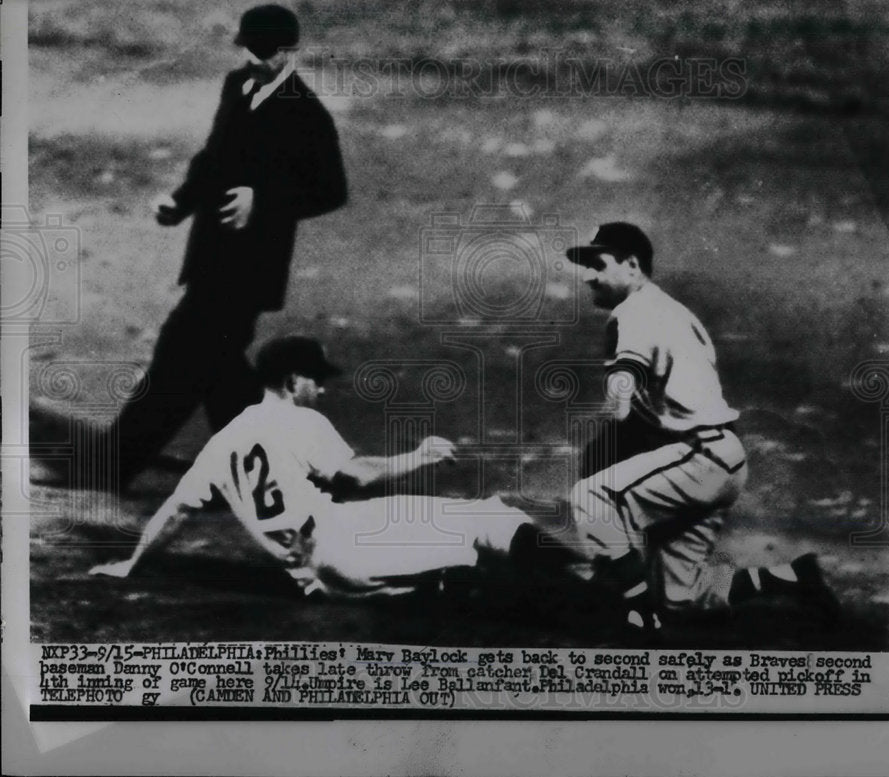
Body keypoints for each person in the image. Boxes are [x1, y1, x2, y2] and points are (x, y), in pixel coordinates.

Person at [89, 336, 573, 599]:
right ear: (292, 379)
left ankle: (432, 578)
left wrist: (131, 564)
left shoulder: (222, 443)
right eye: (315, 380)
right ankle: (594, 575)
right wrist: (420, 456)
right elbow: (357, 474)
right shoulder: (299, 419)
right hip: (346, 545)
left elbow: (175, 512)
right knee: (490, 518)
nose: (320, 389)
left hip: (316, 573)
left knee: (440, 538)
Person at [98, 4, 348, 489]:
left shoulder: (306, 112)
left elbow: (331, 190)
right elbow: (212, 159)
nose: (254, 59)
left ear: (287, 52)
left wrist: (266, 201)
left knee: (178, 358)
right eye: (248, 49)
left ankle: (111, 467)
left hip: (251, 269)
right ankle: (274, 471)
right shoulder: (236, 86)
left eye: (263, 52)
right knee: (219, 376)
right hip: (210, 255)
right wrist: (181, 202)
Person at [563, 223, 836, 630]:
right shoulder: (669, 309)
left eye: (597, 263)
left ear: (632, 265)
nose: (587, 275)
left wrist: (615, 415)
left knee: (591, 496)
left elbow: (624, 391)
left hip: (698, 457)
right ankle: (792, 578)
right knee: (681, 602)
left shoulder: (634, 312)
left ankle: (640, 616)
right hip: (721, 459)